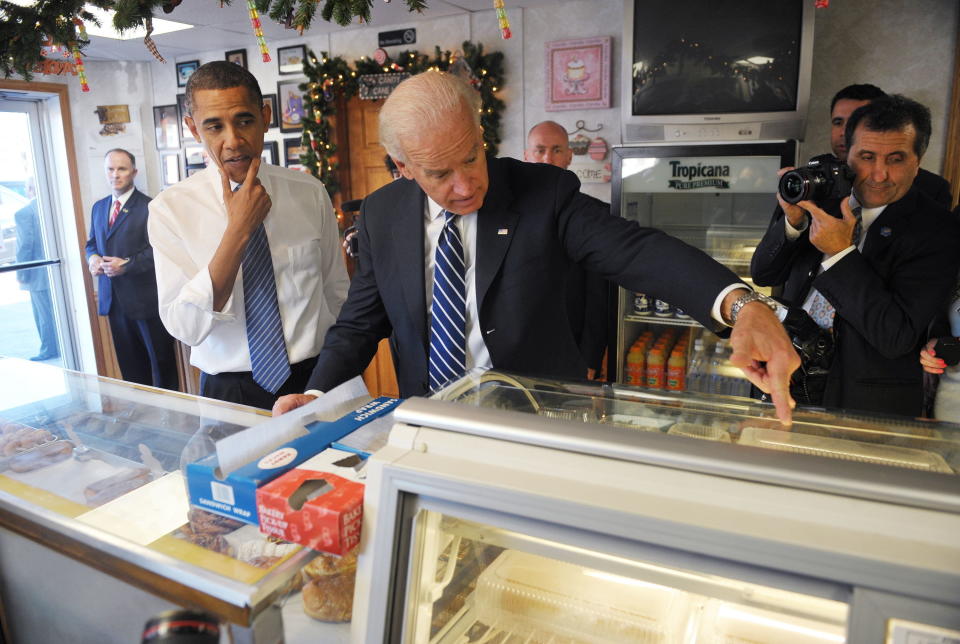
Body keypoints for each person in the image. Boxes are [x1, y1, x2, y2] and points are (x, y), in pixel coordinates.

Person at [275, 71, 799, 422]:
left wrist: (741, 303)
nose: (464, 186)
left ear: (481, 134)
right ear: (404, 169)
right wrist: (316, 395)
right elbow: (361, 322)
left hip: (540, 419)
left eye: (472, 158)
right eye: (439, 173)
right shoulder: (383, 215)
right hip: (435, 420)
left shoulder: (542, 194)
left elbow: (637, 251)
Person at [149, 61, 349, 410]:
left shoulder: (309, 192)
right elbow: (186, 327)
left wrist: (329, 380)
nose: (233, 141)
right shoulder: (170, 210)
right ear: (193, 129)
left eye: (244, 120)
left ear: (266, 116)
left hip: (313, 380)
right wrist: (238, 230)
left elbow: (336, 295)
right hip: (229, 391)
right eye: (214, 126)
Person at [751, 95, 960, 417]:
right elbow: (765, 275)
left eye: (896, 159)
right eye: (866, 156)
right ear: (846, 155)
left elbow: (895, 336)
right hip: (785, 373)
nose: (879, 174)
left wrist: (839, 253)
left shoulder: (937, 229)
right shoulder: (822, 194)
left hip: (863, 401)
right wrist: (792, 223)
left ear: (918, 161)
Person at [86, 149, 178, 389]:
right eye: (110, 169)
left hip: (146, 301)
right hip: (114, 302)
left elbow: (160, 251)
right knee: (130, 366)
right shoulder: (99, 207)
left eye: (122, 169)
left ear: (134, 172)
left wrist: (126, 265)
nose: (115, 175)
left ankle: (174, 417)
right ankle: (141, 417)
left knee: (161, 363)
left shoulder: (150, 207)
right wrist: (92, 258)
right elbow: (91, 244)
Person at [524, 120, 608, 379]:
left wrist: (590, 358)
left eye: (557, 150)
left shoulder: (595, 214)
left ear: (570, 156)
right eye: (539, 150)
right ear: (526, 156)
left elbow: (599, 296)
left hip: (572, 353)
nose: (548, 158)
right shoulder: (502, 213)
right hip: (513, 354)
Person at [829, 84, 952, 208]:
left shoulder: (931, 189)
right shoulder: (817, 178)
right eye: (838, 122)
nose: (844, 132)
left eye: (860, 120)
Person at [15, 183, 58, 361]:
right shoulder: (53, 208)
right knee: (51, 312)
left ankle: (48, 349)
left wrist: (21, 272)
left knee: (43, 314)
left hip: (36, 274)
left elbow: (25, 245)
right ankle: (54, 346)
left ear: (30, 189)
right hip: (53, 273)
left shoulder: (24, 213)